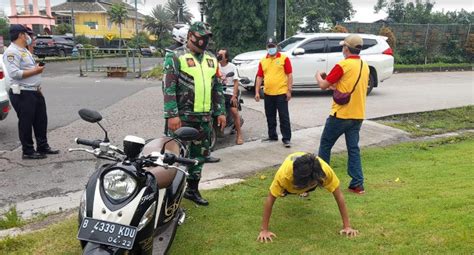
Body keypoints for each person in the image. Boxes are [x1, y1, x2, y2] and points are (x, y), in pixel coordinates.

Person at [163, 22, 226, 206]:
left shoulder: (211, 59)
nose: (203, 41)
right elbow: (169, 87)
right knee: (174, 156)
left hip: (204, 118)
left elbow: (217, 88)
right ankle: (168, 196)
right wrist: (172, 114)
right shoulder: (175, 56)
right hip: (182, 118)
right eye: (200, 37)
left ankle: (192, 190)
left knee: (199, 157)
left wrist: (220, 112)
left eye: (206, 38)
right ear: (190, 35)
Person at [257, 152, 359, 242]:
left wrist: (347, 226)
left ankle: (304, 190)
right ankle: (290, 191)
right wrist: (264, 230)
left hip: (308, 177)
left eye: (310, 184)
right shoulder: (284, 176)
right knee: (283, 191)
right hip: (291, 184)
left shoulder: (325, 172)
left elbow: (339, 196)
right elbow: (270, 199)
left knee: (306, 187)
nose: (307, 186)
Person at [315, 34, 370, 194]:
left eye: (343, 46)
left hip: (340, 115)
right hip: (357, 115)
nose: (342, 49)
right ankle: (357, 184)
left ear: (346, 48)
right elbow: (347, 86)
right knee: (353, 149)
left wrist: (318, 76)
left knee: (325, 145)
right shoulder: (364, 66)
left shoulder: (342, 65)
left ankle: (323, 179)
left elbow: (324, 85)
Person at [3, 24, 59, 160]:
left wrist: (37, 84)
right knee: (26, 122)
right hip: (22, 93)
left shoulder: (24, 50)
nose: (29, 37)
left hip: (34, 91)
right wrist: (36, 70)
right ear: (21, 35)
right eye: (27, 34)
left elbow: (27, 69)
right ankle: (28, 151)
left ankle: (42, 146)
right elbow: (15, 74)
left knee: (41, 120)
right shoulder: (12, 52)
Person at [254, 37, 293, 148]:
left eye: (273, 46)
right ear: (267, 47)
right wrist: (257, 91)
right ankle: (272, 136)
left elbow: (289, 75)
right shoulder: (263, 61)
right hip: (268, 93)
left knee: (283, 116)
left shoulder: (284, 59)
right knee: (270, 115)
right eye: (269, 46)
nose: (271, 48)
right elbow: (260, 77)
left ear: (277, 46)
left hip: (281, 92)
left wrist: (289, 90)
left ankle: (286, 138)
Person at [217, 48, 244, 145]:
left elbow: (236, 82)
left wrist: (234, 96)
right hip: (218, 92)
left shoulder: (232, 67)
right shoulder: (215, 65)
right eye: (218, 54)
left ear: (226, 57)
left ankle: (239, 135)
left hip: (229, 92)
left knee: (234, 111)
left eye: (221, 55)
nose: (219, 56)